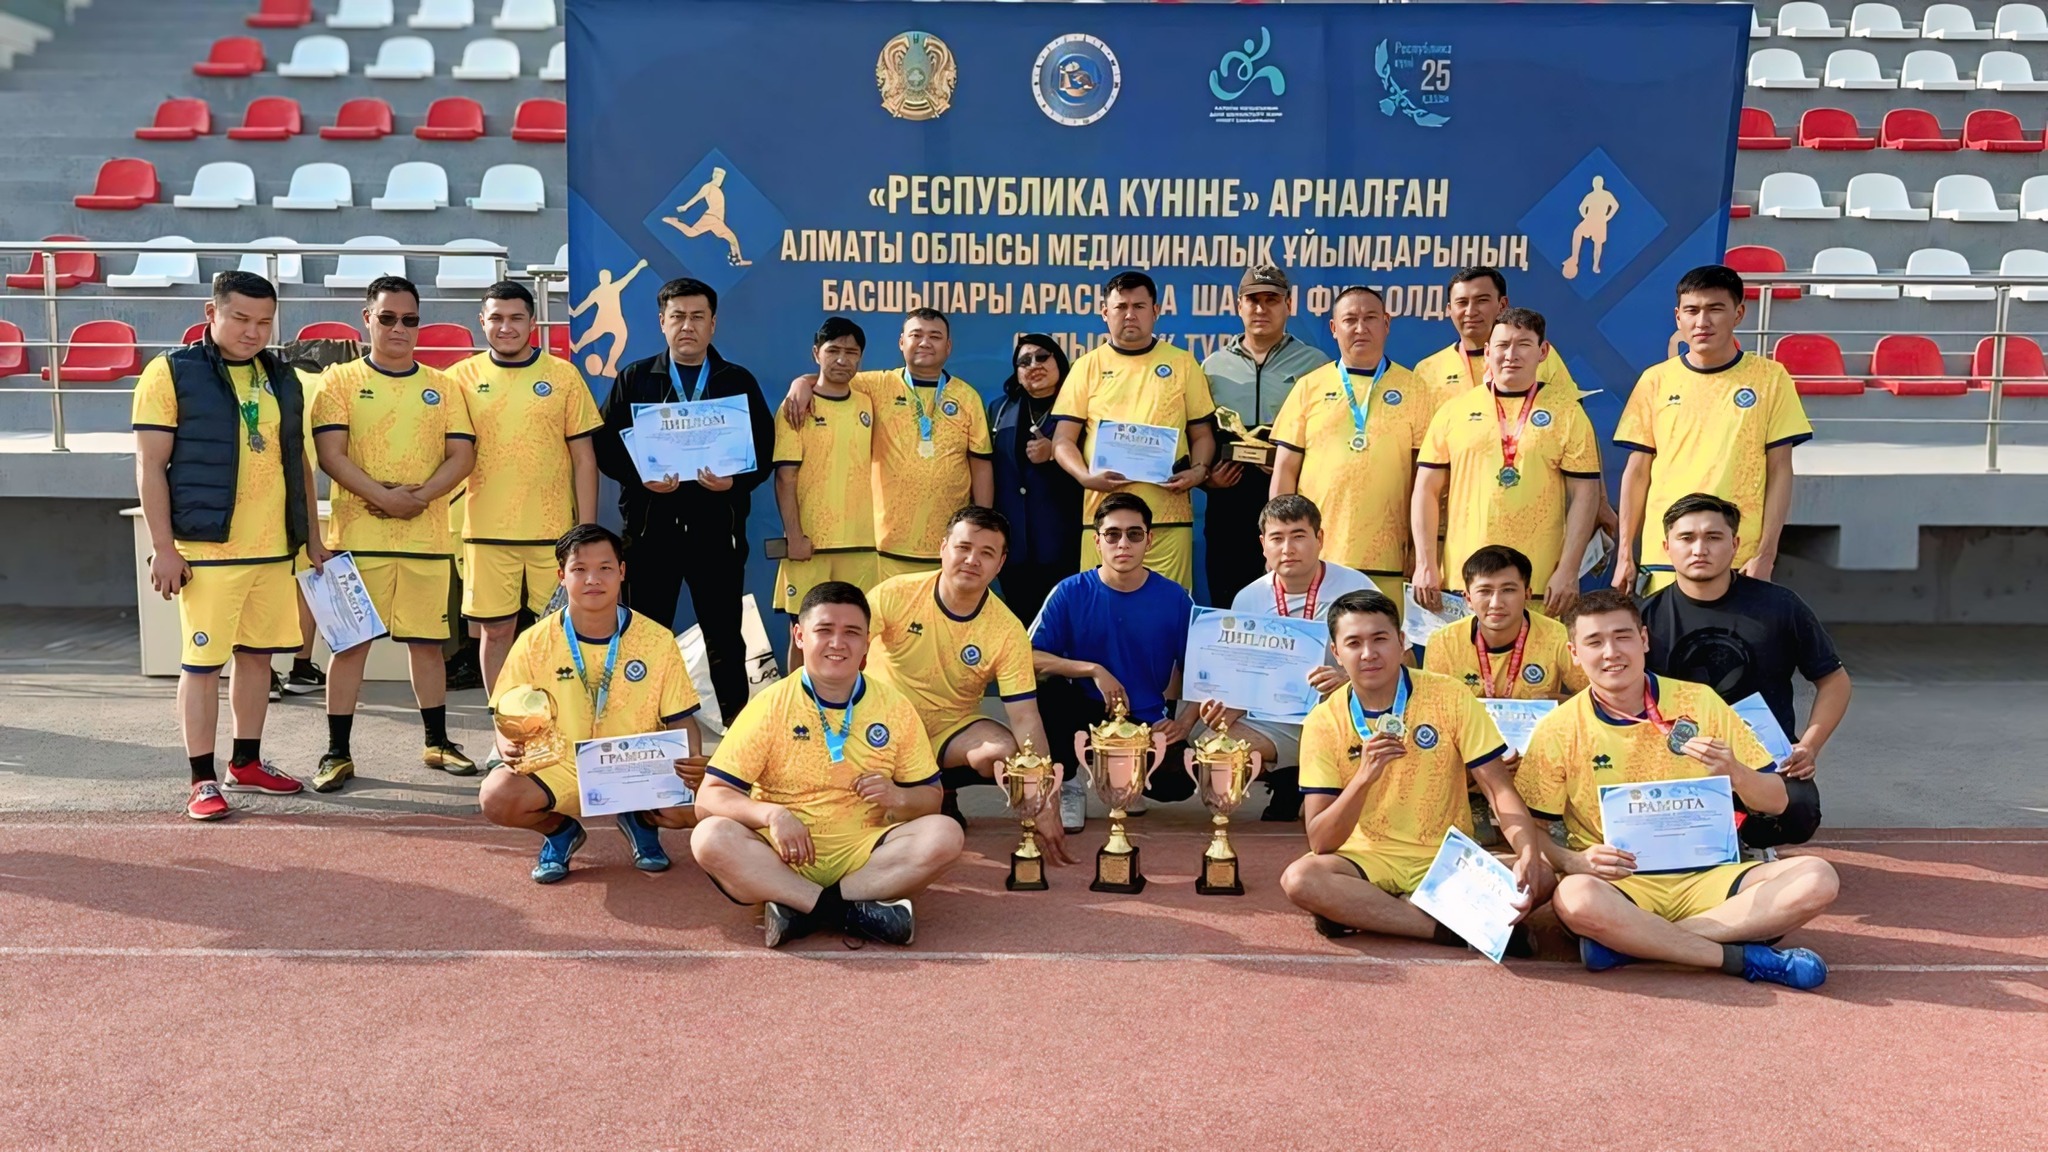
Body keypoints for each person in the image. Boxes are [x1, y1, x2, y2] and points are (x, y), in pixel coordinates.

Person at [1517, 589, 1839, 988]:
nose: (1611, 652)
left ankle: (1635, 944)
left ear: (1644, 639)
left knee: (1818, 877)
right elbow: (1532, 831)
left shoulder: (1700, 702)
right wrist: (1574, 861)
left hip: (1711, 875)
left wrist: (1736, 772)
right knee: (1574, 898)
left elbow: (1776, 803)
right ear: (1574, 653)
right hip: (1621, 883)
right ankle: (1738, 958)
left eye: (1622, 636)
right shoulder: (1558, 728)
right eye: (1594, 642)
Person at [133, 271, 326, 819]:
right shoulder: (171, 371)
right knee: (202, 664)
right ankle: (201, 779)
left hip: (273, 551)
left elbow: (298, 462)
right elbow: (149, 465)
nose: (252, 331)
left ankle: (246, 761)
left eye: (264, 322)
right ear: (211, 312)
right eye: (240, 318)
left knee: (258, 659)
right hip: (208, 551)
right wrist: (164, 547)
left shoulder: (282, 376)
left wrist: (312, 539)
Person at [691, 581, 965, 948]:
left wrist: (898, 796)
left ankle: (802, 910)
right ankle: (851, 912)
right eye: (824, 630)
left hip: (864, 853)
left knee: (946, 834)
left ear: (867, 642)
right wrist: (772, 814)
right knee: (709, 837)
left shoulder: (895, 707)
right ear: (799, 636)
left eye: (851, 632)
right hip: (781, 852)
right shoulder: (769, 706)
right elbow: (709, 798)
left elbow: (930, 798)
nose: (838, 643)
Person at [1278, 590, 1553, 950]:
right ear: (1336, 652)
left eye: (1380, 639)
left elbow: (1498, 788)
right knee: (1301, 880)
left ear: (1401, 641)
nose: (1368, 653)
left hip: (1447, 857)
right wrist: (1364, 777)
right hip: (1366, 859)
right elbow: (1321, 841)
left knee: (1542, 875)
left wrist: (1527, 850)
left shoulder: (1449, 695)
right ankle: (1445, 928)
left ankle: (1370, 912)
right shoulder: (1322, 721)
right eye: (1354, 643)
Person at [309, 276, 476, 793]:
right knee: (349, 647)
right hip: (358, 539)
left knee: (427, 645)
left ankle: (437, 741)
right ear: (368, 318)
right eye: (387, 318)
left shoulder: (444, 385)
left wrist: (417, 498)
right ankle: (337, 751)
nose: (399, 328)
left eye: (409, 319)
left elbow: (462, 456)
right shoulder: (339, 381)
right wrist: (384, 499)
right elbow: (331, 456)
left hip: (426, 540)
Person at [478, 524, 707, 883]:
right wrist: (505, 741)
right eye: (579, 569)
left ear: (622, 572)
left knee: (703, 801)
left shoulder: (657, 640)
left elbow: (681, 717)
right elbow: (504, 712)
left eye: (605, 568)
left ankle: (641, 820)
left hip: (634, 765)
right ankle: (560, 832)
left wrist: (692, 764)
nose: (593, 579)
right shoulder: (533, 642)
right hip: (560, 764)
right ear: (561, 576)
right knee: (496, 796)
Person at [592, 277, 775, 723]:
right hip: (650, 532)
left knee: (725, 636)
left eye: (697, 317)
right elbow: (605, 446)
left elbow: (765, 450)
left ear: (713, 323)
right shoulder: (635, 377)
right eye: (677, 317)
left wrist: (734, 483)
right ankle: (641, 725)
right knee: (644, 633)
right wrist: (642, 477)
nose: (687, 326)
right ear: (662, 322)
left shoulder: (736, 381)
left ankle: (736, 731)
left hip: (717, 532)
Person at [1640, 493, 1847, 849]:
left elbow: (1835, 682)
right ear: (1666, 547)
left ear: (1735, 544)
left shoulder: (1780, 606)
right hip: (1676, 759)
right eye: (1687, 538)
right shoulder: (1644, 618)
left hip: (1761, 759)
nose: (1699, 549)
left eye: (1713, 537)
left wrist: (1809, 746)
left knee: (1797, 814)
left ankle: (1745, 838)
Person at [867, 508, 1063, 846]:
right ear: (943, 548)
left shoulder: (1007, 630)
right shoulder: (893, 594)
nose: (972, 560)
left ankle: (944, 792)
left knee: (1005, 751)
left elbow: (1025, 717)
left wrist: (1046, 795)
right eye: (963, 548)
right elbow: (843, 657)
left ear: (1000, 563)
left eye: (986, 553)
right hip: (880, 727)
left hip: (948, 731)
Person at [1613, 264, 1813, 594]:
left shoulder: (1770, 378)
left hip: (1738, 558)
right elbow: (1637, 472)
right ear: (1678, 317)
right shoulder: (1655, 380)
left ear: (1739, 314)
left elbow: (1780, 470)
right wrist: (1625, 554)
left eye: (1715, 309)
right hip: (1665, 557)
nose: (1702, 321)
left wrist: (1765, 554)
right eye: (1692, 310)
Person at [446, 280, 603, 694]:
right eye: (496, 318)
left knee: (559, 633)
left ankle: (558, 719)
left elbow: (584, 459)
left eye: (516, 318)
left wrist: (585, 532)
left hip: (553, 534)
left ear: (532, 322)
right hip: (486, 531)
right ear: (482, 321)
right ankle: (503, 720)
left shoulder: (562, 375)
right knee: (495, 632)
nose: (506, 327)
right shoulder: (459, 378)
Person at [782, 309, 995, 582]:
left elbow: (980, 466)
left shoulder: (968, 397)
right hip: (885, 547)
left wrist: (982, 528)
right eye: (916, 335)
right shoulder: (877, 385)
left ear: (949, 346)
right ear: (901, 342)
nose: (925, 342)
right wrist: (801, 383)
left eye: (935, 336)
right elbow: (833, 377)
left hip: (949, 546)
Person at [1413, 307, 1602, 614]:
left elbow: (1585, 494)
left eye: (1523, 345)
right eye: (1502, 345)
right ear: (1488, 352)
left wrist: (1568, 570)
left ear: (1543, 352)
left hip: (1539, 583)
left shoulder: (1567, 412)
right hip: (1464, 583)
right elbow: (1426, 490)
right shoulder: (1453, 411)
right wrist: (1425, 564)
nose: (1511, 355)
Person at [1029, 493, 1198, 832]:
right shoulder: (1069, 591)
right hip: (1082, 711)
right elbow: (1028, 656)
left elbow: (1202, 668)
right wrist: (1093, 669)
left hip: (1143, 719)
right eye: (1112, 534)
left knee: (1179, 782)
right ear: (1097, 541)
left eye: (1134, 534)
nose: (1123, 544)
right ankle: (1067, 784)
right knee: (1047, 686)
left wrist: (1184, 723)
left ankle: (1124, 779)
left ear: (1149, 540)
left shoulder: (1175, 598)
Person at [1203, 494, 1370, 822]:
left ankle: (1315, 784)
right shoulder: (1249, 598)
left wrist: (1348, 678)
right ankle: (1288, 778)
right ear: (1263, 544)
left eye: (1298, 536)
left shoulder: (1355, 589)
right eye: (1277, 538)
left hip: (1340, 717)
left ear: (1320, 539)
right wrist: (1229, 705)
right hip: (1275, 721)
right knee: (1213, 751)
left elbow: (1401, 661)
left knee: (1326, 820)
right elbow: (1239, 674)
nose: (1288, 548)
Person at [1051, 270, 1219, 592]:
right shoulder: (1086, 366)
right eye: (1121, 307)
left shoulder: (1183, 363)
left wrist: (1199, 472)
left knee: (1167, 612)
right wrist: (1085, 477)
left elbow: (1202, 435)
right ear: (1105, 313)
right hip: (1105, 522)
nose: (1130, 314)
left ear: (1155, 311)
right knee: (1099, 611)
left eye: (1139, 306)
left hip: (1168, 519)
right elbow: (1062, 440)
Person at [1269, 285, 1427, 610]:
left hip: (1389, 557)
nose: (1360, 327)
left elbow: (1423, 479)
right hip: (1317, 557)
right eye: (1350, 319)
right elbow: (1284, 470)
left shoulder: (1415, 388)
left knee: (1380, 639)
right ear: (1333, 327)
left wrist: (1420, 549)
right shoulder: (1309, 387)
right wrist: (1280, 542)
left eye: (1370, 318)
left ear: (1386, 323)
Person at [1199, 265, 1330, 603]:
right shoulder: (1212, 366)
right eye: (1253, 300)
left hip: (1292, 504)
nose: (1261, 309)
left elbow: (1326, 438)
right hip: (1229, 501)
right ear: (1238, 305)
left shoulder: (1315, 365)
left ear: (1289, 305)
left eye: (1271, 299)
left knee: (1292, 600)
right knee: (1229, 600)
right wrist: (1208, 479)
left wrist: (1293, 470)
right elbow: (1198, 433)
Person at [772, 317, 877, 649]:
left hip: (862, 545)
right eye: (833, 351)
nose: (842, 360)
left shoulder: (869, 402)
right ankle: (799, 689)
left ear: (861, 358)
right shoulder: (795, 406)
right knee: (804, 635)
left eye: (851, 352)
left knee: (859, 634)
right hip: (810, 546)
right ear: (816, 353)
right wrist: (794, 536)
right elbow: (785, 477)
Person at [988, 333, 1084, 624]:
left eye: (1043, 357)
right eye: (1024, 361)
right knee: (1020, 626)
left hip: (1065, 541)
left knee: (1063, 625)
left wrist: (1056, 451)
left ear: (1060, 363)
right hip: (1014, 545)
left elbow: (1098, 459)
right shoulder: (999, 410)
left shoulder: (1080, 408)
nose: (1034, 365)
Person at [1423, 545, 1588, 702]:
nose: (1496, 603)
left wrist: (1558, 705)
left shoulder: (1557, 635)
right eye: (1484, 591)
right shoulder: (1443, 641)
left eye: (1508, 590)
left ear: (1527, 594)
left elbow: (1593, 698)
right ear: (1468, 599)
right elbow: (1433, 705)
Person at [1411, 266, 1580, 417]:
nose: (1470, 311)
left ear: (1502, 304)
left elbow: (1571, 415)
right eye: (1462, 302)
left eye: (1482, 300)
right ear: (1450, 309)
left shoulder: (1538, 357)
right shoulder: (1428, 370)